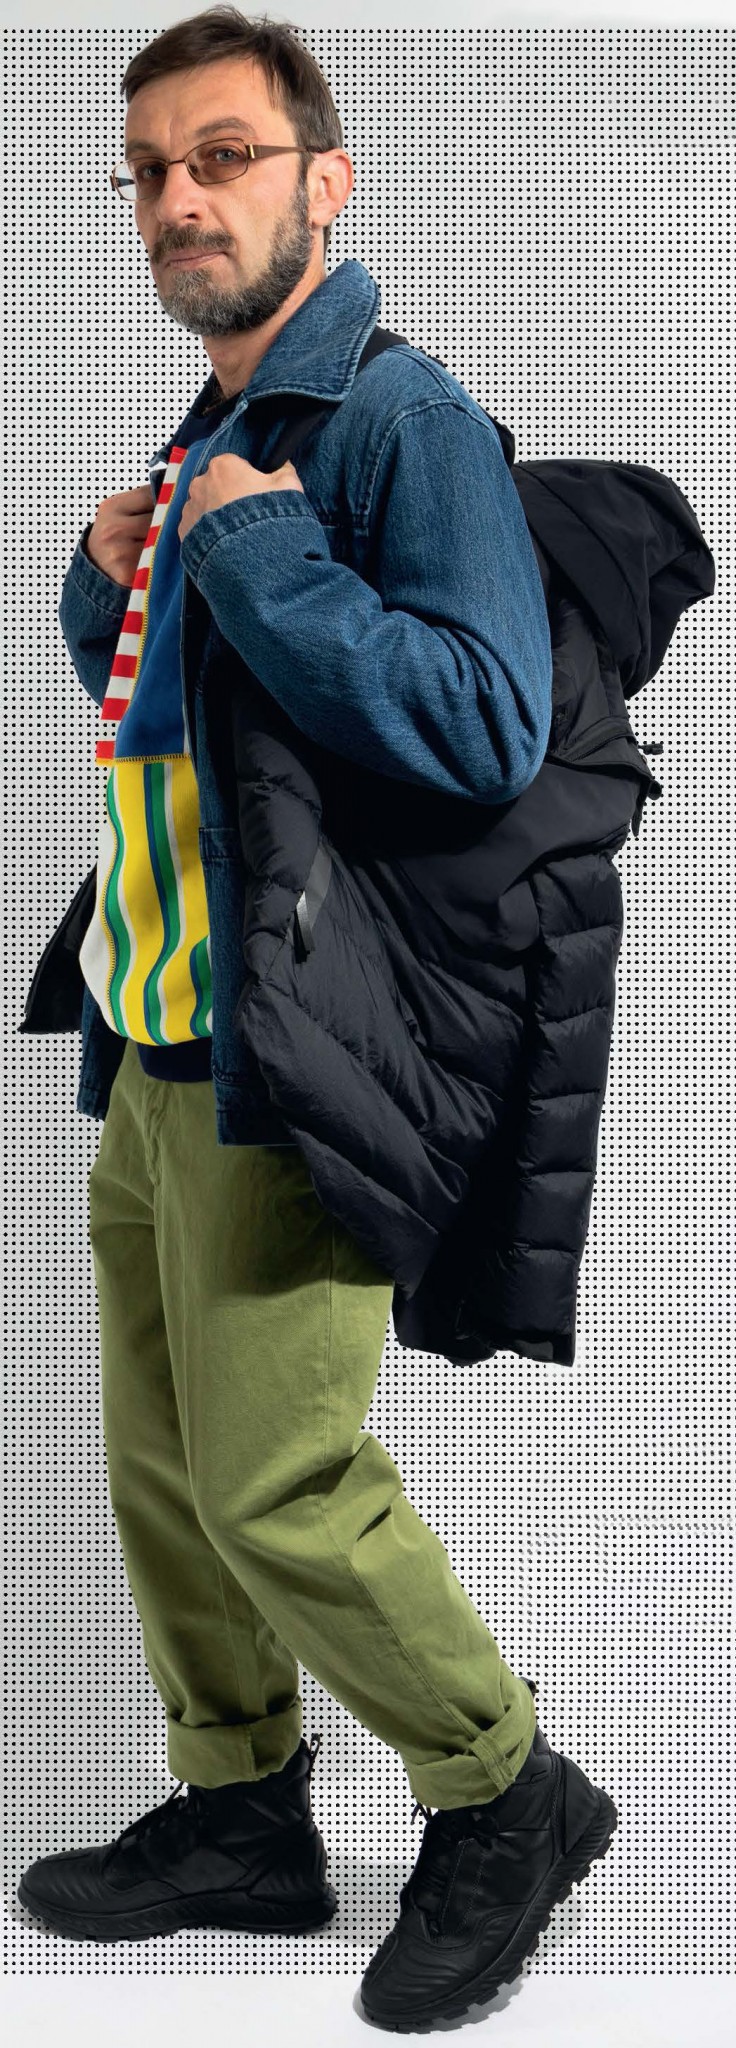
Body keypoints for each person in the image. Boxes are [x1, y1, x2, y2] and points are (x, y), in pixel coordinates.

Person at [17, 11, 617, 2029]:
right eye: (150, 171)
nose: (178, 200)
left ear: (322, 182)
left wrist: (256, 544)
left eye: (224, 157)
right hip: (156, 1034)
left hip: (293, 1057)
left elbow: (477, 722)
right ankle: (242, 1813)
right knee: (165, 1471)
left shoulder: (395, 421)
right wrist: (114, 586)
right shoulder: (212, 433)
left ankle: (503, 1787)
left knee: (278, 1478)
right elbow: (199, 736)